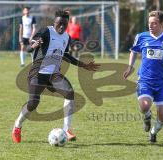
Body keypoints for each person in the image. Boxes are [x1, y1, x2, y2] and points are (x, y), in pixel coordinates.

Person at [12, 9, 100, 143]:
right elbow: (29, 48)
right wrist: (34, 45)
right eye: (60, 23)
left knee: (69, 93)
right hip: (37, 73)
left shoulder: (66, 37)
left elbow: (65, 55)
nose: (62, 26)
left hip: (54, 75)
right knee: (33, 103)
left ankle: (67, 129)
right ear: (54, 22)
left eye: (65, 24)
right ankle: (17, 125)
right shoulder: (46, 31)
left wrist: (83, 65)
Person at [123, 10, 163, 143]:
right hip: (145, 80)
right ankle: (147, 116)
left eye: (154, 23)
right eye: (149, 23)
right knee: (144, 106)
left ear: (161, 24)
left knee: (162, 117)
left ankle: (153, 132)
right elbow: (134, 51)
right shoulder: (141, 37)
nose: (151, 26)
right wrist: (130, 67)